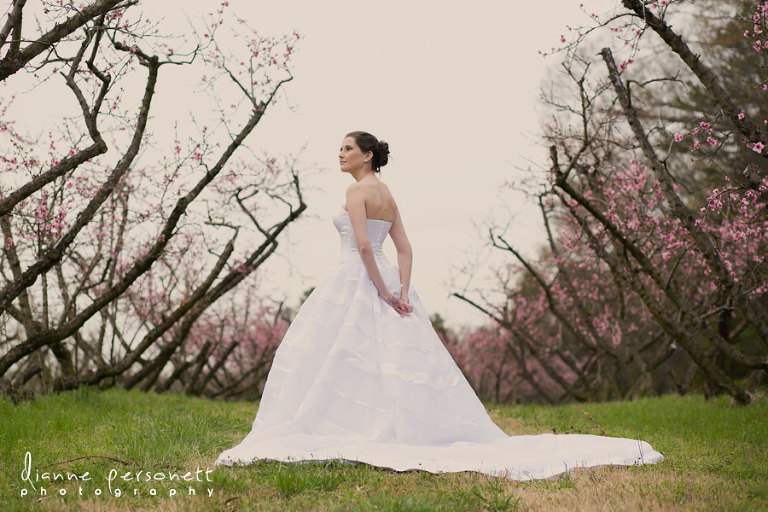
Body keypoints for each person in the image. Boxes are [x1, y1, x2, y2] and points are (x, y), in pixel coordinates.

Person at [215, 131, 663, 479]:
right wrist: (402, 290)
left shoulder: (356, 194)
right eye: (340, 148)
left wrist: (385, 293)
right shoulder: (388, 195)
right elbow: (404, 248)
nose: (340, 153)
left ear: (367, 154)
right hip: (386, 280)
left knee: (341, 354)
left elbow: (367, 251)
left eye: (347, 148)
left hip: (356, 278)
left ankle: (341, 424)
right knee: (376, 358)